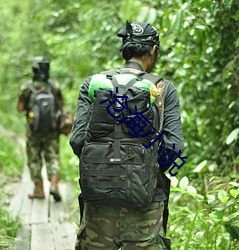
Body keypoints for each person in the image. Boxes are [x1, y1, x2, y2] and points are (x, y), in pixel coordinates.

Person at [70, 21, 184, 249]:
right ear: (153, 50)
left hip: (98, 205)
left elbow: (77, 140)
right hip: (146, 209)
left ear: (124, 50)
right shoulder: (163, 89)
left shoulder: (93, 84)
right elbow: (173, 150)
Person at [17, 57, 64, 202]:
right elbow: (61, 104)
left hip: (33, 131)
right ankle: (54, 186)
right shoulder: (54, 86)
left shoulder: (27, 88)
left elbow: (19, 108)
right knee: (53, 157)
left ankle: (39, 190)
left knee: (34, 159)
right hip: (52, 129)